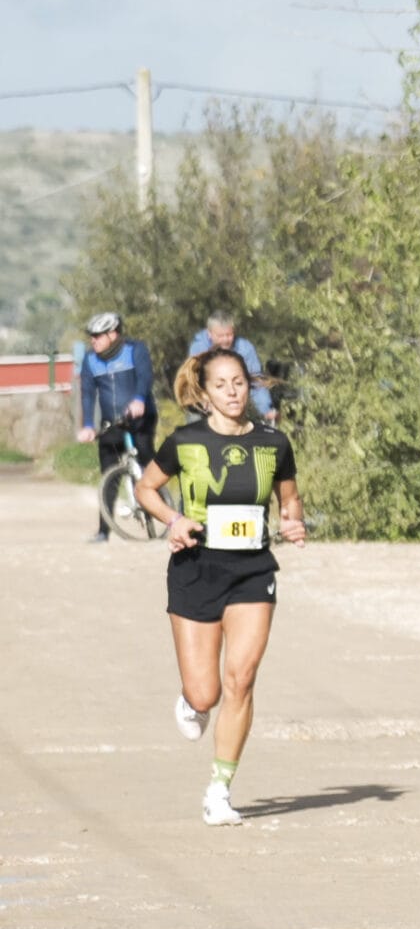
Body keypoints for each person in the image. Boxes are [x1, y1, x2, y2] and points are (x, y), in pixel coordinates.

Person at [132, 347, 307, 825]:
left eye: (239, 383)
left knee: (241, 679)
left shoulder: (274, 443)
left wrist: (293, 522)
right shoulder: (184, 441)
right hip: (195, 568)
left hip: (252, 572)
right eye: (221, 385)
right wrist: (173, 520)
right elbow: (145, 488)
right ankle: (192, 701)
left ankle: (219, 790)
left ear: (249, 386)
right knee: (205, 692)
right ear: (204, 394)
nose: (232, 392)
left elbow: (290, 500)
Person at [74, 312, 158, 542]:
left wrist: (139, 399)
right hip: (111, 423)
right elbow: (88, 394)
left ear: (112, 334)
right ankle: (104, 531)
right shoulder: (90, 360)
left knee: (149, 465)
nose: (93, 340)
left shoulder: (135, 350)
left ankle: (164, 510)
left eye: (98, 336)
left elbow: (145, 377)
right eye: (91, 336)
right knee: (108, 476)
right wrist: (88, 425)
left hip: (140, 419)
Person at [187, 313, 275, 420]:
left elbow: (256, 379)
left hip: (232, 400)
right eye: (220, 336)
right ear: (209, 333)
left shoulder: (245, 348)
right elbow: (194, 381)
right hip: (203, 400)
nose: (225, 340)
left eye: (229, 335)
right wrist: (204, 400)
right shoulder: (198, 348)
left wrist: (265, 409)